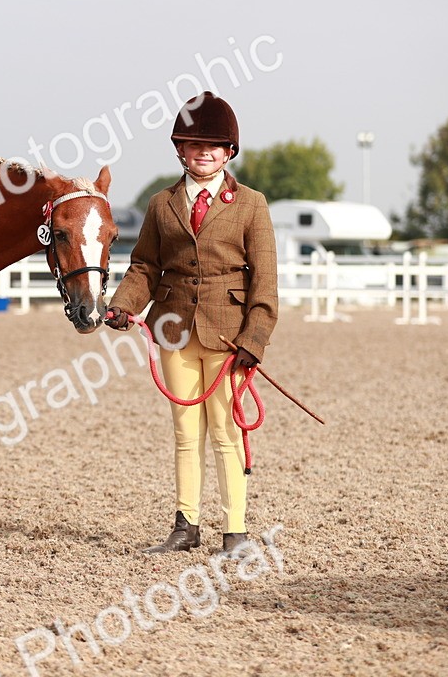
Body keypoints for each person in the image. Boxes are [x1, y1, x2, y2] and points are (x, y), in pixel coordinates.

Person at [106, 92, 278, 556]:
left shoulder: (252, 204)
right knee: (185, 433)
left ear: (228, 152)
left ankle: (236, 531)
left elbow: (265, 283)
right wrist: (124, 305)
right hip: (173, 330)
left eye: (214, 146)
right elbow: (144, 265)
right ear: (180, 149)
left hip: (228, 336)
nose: (204, 152)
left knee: (225, 433)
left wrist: (254, 341)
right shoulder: (162, 205)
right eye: (193, 144)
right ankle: (185, 526)